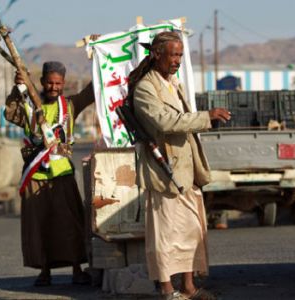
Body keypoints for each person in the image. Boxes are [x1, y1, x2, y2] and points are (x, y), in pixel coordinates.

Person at [128, 31, 230, 300]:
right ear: (157, 54)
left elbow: (182, 119)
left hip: (185, 170)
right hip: (164, 173)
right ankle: (166, 289)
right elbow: (165, 123)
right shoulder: (145, 89)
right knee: (165, 235)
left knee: (190, 230)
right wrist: (206, 117)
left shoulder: (173, 83)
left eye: (180, 56)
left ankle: (188, 286)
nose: (177, 61)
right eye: (173, 55)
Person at [4, 60, 95, 286]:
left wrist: (97, 57)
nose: (54, 87)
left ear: (64, 83)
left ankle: (77, 269)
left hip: (62, 175)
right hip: (35, 176)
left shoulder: (71, 105)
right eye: (49, 83)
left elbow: (93, 91)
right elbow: (10, 113)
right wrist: (18, 87)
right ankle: (44, 272)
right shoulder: (28, 105)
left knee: (70, 224)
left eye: (58, 83)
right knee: (40, 226)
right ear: (42, 82)